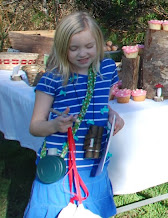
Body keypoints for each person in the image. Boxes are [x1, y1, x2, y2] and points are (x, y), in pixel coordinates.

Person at [24, 11, 124, 217]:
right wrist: (55, 125)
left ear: (99, 43)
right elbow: (35, 126)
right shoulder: (53, 77)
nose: (83, 53)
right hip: (60, 166)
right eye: (74, 48)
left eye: (89, 46)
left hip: (93, 163)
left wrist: (112, 115)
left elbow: (100, 104)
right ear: (63, 48)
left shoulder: (106, 69)